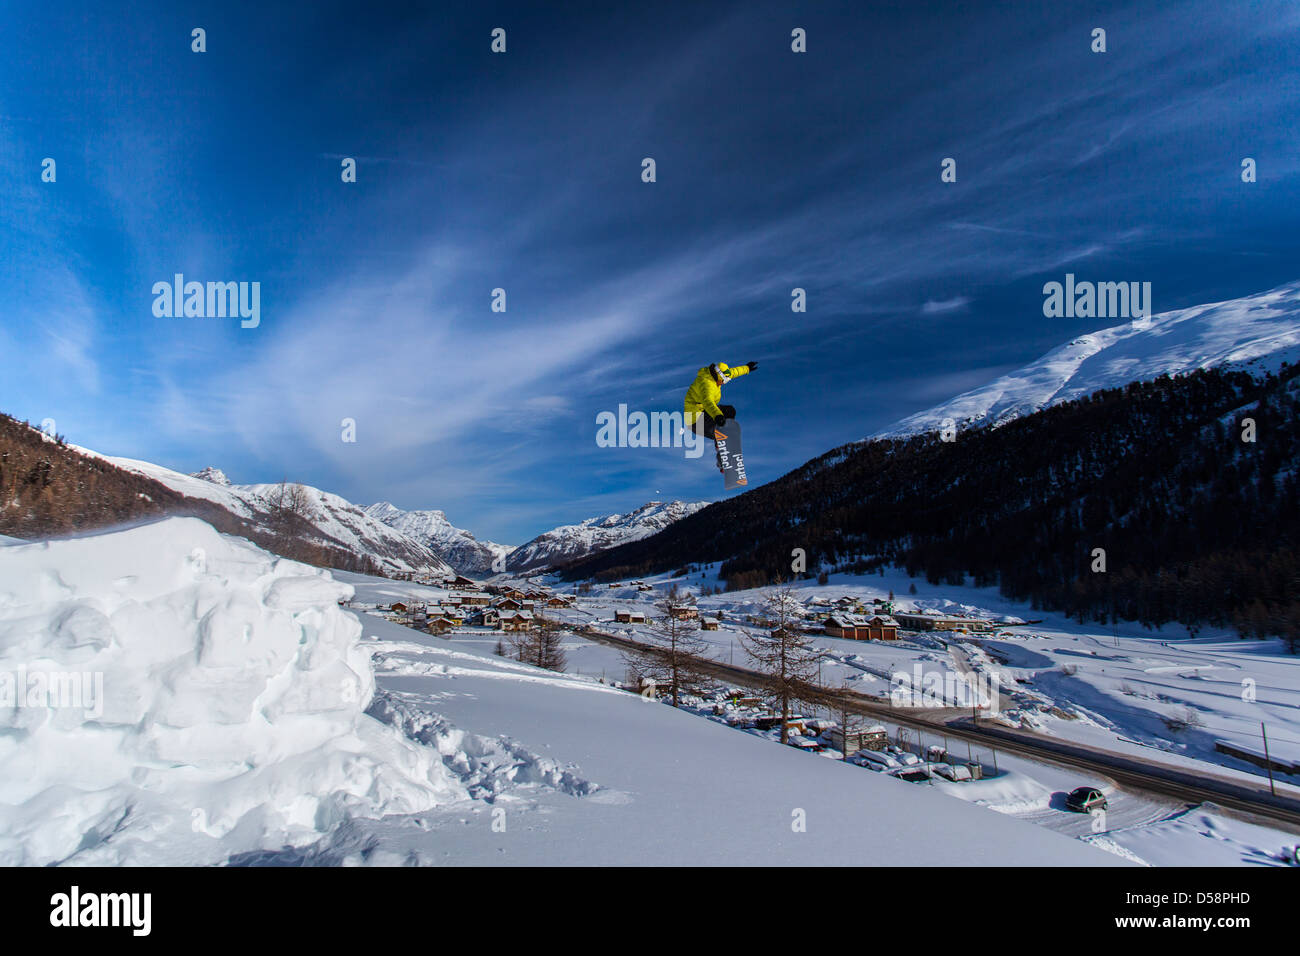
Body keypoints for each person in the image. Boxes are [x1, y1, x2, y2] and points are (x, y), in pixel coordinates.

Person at [683, 360, 758, 470]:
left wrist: (747, 368)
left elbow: (733, 372)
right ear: (718, 375)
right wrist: (717, 416)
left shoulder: (718, 376)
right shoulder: (706, 383)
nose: (723, 383)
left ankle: (721, 441)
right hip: (695, 420)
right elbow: (708, 401)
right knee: (720, 427)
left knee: (729, 410)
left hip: (704, 412)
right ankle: (722, 459)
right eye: (723, 380)